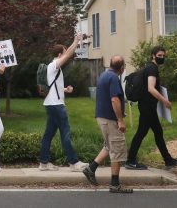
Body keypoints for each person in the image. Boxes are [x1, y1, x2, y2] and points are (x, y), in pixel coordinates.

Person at [125, 45, 177, 170]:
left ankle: (168, 160)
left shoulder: (150, 67)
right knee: (141, 133)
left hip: (147, 106)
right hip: (147, 107)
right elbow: (151, 88)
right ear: (153, 55)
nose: (162, 58)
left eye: (163, 56)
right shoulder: (152, 69)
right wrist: (164, 101)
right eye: (159, 56)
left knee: (157, 132)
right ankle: (130, 161)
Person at [37, 33, 88, 172]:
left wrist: (65, 89)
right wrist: (76, 41)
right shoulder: (54, 65)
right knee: (65, 133)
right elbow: (69, 54)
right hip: (57, 106)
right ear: (59, 55)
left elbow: (53, 86)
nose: (67, 55)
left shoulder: (51, 67)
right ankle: (74, 163)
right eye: (64, 53)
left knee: (48, 134)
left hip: (50, 104)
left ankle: (43, 163)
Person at [82, 55, 132, 194]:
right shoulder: (114, 78)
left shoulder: (104, 75)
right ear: (121, 68)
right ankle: (115, 185)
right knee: (117, 149)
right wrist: (120, 120)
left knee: (109, 146)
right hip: (110, 119)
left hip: (102, 117)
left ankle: (90, 169)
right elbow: (114, 100)